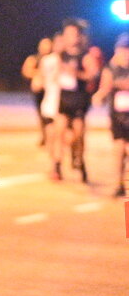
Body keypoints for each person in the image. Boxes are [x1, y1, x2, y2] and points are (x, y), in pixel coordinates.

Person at [52, 18, 99, 183]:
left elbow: (93, 74)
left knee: (78, 134)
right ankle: (57, 166)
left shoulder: (85, 56)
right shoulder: (61, 54)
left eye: (73, 34)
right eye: (67, 34)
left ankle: (79, 159)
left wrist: (76, 73)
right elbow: (55, 73)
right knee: (59, 131)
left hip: (79, 100)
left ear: (79, 36)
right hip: (64, 99)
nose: (70, 37)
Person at [92, 33, 129, 196]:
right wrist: (99, 97)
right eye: (122, 49)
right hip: (118, 116)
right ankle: (118, 184)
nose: (125, 53)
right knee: (119, 149)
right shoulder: (110, 69)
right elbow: (104, 88)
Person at [38, 33, 63, 179]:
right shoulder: (46, 60)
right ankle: (54, 164)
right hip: (49, 101)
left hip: (63, 102)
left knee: (60, 135)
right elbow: (41, 78)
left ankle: (57, 166)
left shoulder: (68, 60)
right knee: (50, 136)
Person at [22, 37, 53, 146]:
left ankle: (52, 136)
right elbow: (26, 71)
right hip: (39, 91)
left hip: (52, 91)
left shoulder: (54, 58)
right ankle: (45, 136)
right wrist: (39, 74)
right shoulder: (34, 59)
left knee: (52, 115)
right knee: (41, 114)